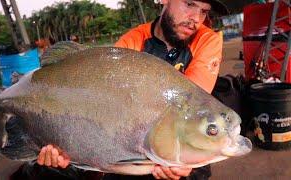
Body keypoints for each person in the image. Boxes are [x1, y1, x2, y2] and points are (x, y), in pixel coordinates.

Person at [32, 0, 229, 180]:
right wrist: (73, 149)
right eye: (189, 4)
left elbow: (190, 107)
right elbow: (106, 107)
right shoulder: (132, 41)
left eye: (203, 11)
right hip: (135, 145)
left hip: (178, 139)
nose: (196, 18)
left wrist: (185, 161)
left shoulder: (206, 39)